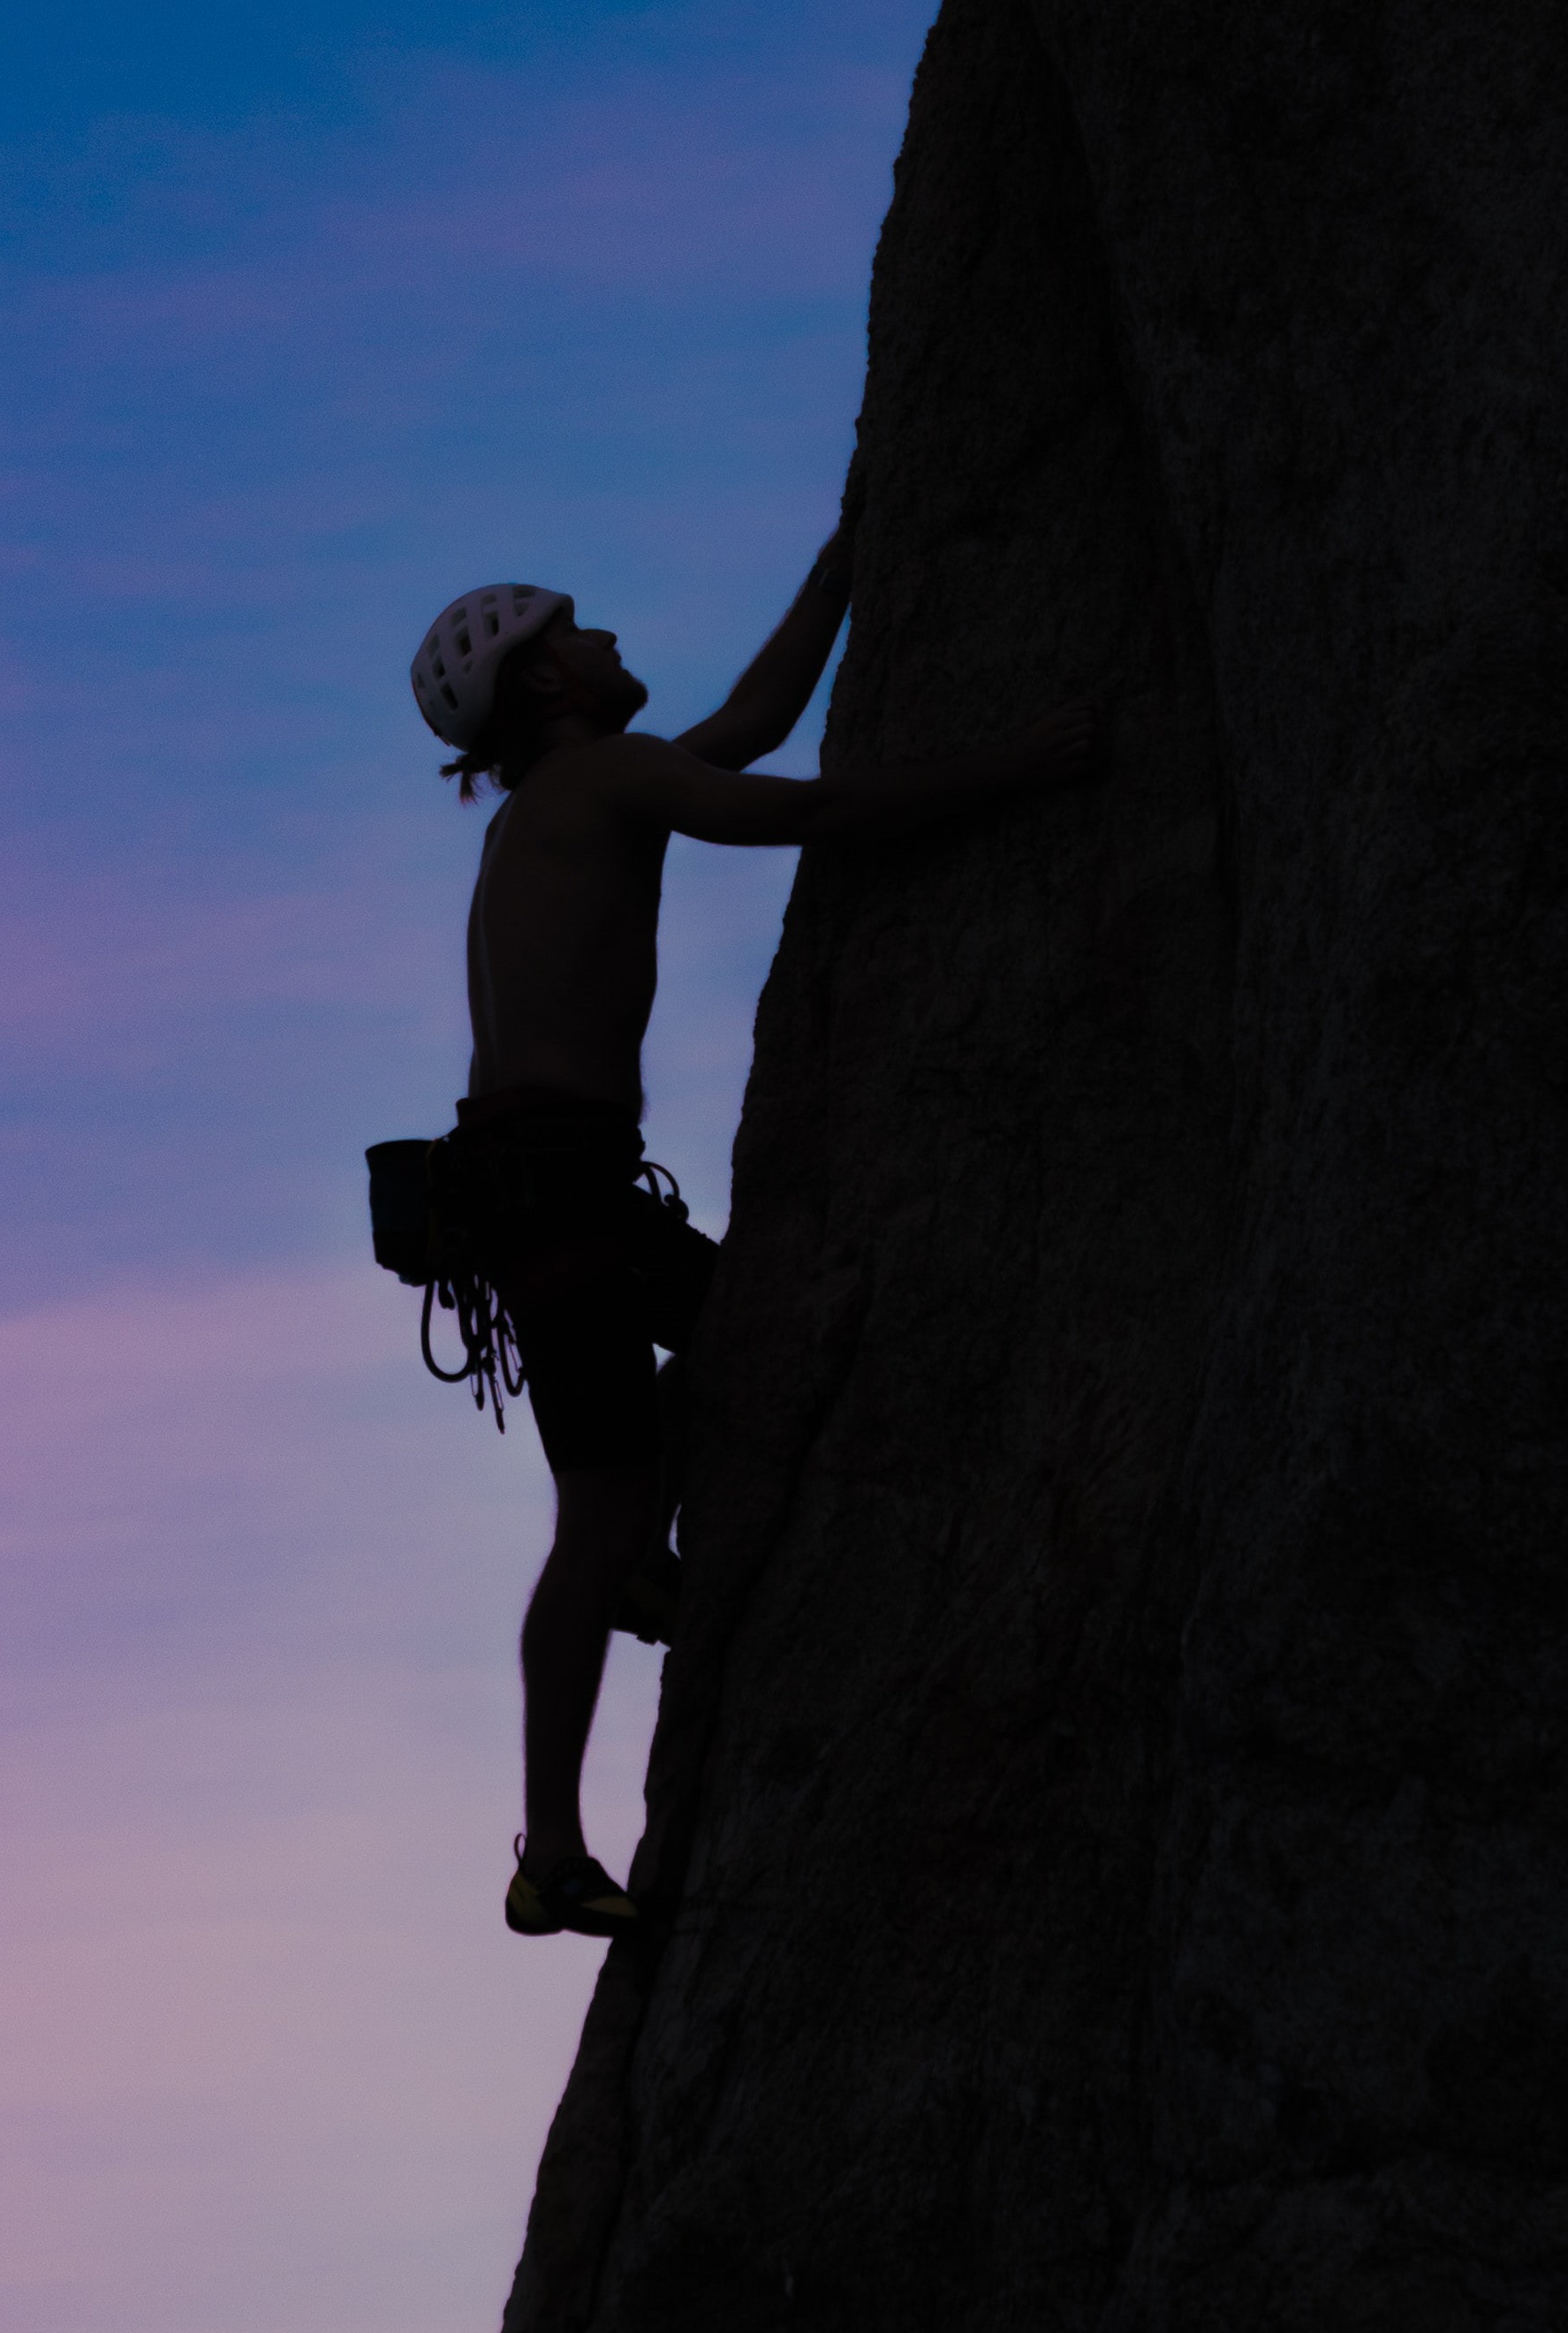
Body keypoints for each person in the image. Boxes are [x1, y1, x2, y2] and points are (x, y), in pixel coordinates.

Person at [408, 527, 1097, 1939]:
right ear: (543, 685)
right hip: (557, 1191)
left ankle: (642, 1561)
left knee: (748, 1333)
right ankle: (551, 1849)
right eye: (575, 635)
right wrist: (1029, 763)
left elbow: (756, 724)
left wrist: (855, 554)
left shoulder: (573, 789)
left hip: (548, 1186)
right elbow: (810, 810)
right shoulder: (601, 776)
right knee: (595, 1512)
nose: (602, 644)